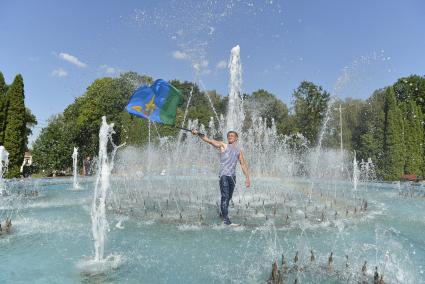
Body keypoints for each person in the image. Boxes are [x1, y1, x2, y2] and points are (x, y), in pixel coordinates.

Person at [192, 129, 250, 225]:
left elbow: (243, 164)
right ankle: (226, 220)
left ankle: (222, 213)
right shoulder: (223, 145)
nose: (230, 137)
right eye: (229, 135)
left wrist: (247, 178)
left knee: (229, 197)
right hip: (224, 176)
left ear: (236, 138)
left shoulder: (238, 151)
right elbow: (209, 141)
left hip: (232, 177)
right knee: (225, 196)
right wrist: (198, 133)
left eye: (232, 135)